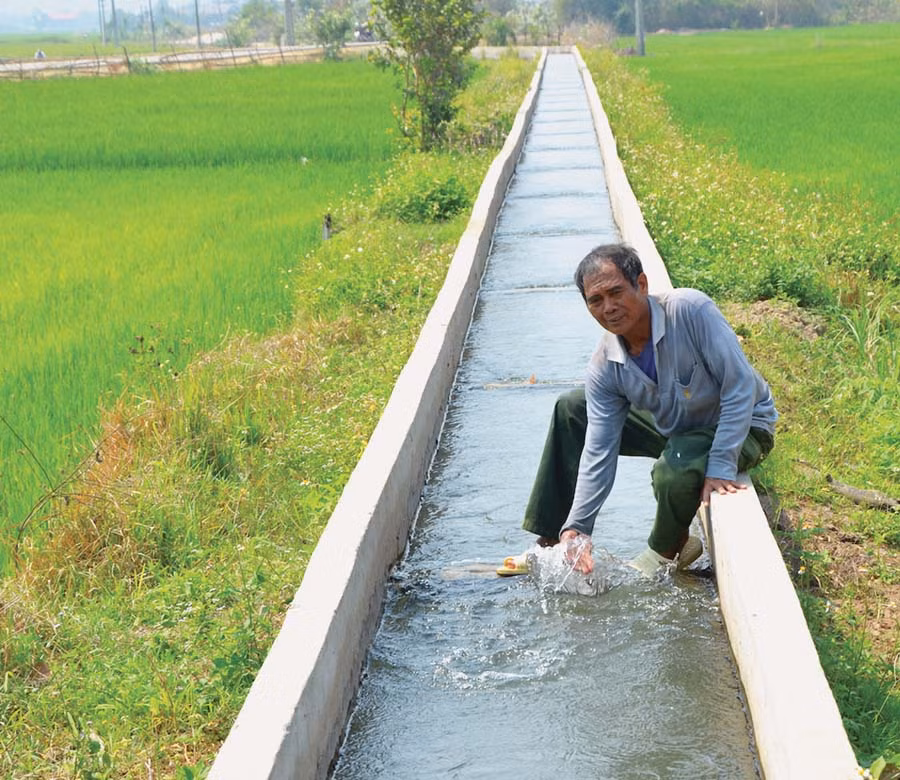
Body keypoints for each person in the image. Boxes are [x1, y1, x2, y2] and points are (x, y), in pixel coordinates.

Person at [521, 243, 776, 577]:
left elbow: (739, 385)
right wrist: (579, 524)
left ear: (641, 285)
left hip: (741, 425)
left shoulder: (689, 311)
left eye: (616, 293)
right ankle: (556, 538)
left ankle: (667, 548)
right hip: (674, 426)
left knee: (675, 468)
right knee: (572, 408)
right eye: (595, 301)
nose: (608, 308)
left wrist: (721, 465)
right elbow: (599, 448)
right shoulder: (605, 364)